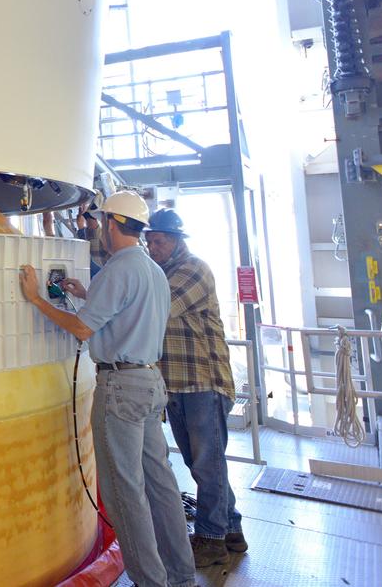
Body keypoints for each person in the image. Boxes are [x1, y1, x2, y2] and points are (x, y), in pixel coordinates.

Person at [18, 191, 196, 587]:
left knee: (123, 492)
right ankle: (182, 577)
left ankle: (151, 582)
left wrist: (35, 299)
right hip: (150, 383)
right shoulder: (152, 270)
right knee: (161, 483)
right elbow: (125, 309)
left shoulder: (118, 268)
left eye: (103, 223)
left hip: (120, 388)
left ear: (113, 224)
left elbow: (82, 329)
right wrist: (85, 294)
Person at [145, 208, 246, 566]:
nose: (151, 246)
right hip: (176, 385)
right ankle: (231, 530)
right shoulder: (160, 271)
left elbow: (159, 307)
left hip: (203, 383)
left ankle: (210, 539)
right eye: (148, 240)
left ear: (176, 242)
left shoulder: (192, 270)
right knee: (202, 463)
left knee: (207, 464)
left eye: (157, 241)